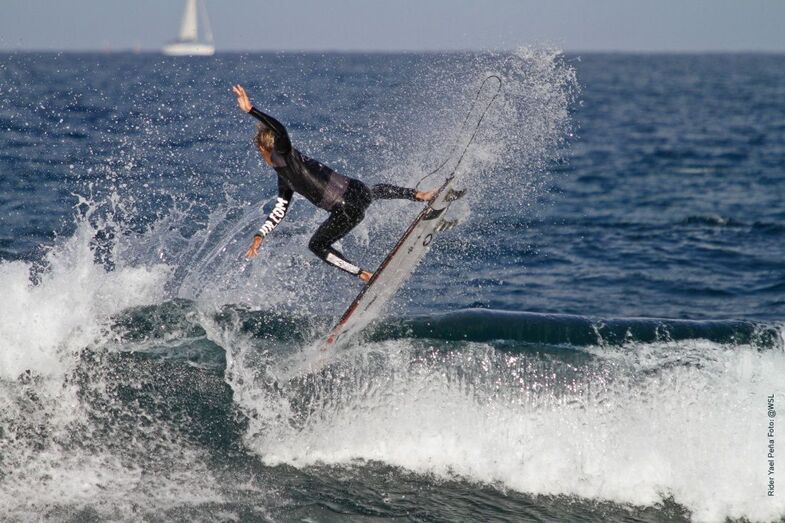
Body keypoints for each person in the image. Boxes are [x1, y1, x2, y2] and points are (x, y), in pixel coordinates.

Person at [232, 84, 434, 283]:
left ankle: (363, 274)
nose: (261, 157)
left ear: (263, 147)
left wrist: (251, 110)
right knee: (373, 191)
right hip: (358, 190)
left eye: (260, 152)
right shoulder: (285, 175)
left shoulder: (284, 154)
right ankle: (420, 195)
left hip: (346, 211)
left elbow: (281, 130)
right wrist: (260, 235)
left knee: (317, 245)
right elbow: (279, 210)